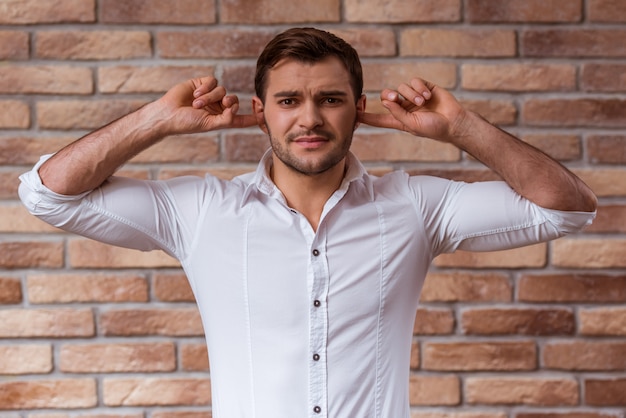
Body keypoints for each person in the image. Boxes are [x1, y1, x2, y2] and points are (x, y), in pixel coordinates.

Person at [19, 27, 597, 417]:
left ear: (360, 107)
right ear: (260, 111)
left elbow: (566, 207)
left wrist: (462, 128)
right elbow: (48, 195)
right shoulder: (200, 213)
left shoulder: (416, 207)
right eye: (289, 100)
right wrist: (155, 121)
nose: (311, 118)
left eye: (330, 99)